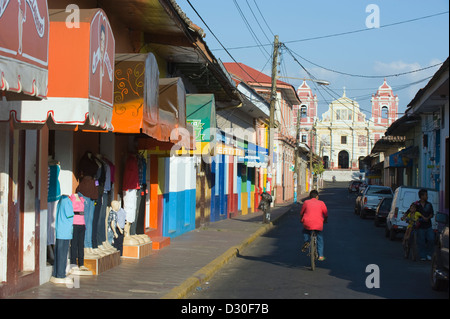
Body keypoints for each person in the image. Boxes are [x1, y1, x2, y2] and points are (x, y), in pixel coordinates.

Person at [300, 190, 328, 261]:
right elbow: (325, 213)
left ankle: (306, 241)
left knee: (305, 231)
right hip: (318, 224)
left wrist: (301, 219)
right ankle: (321, 256)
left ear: (309, 197)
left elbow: (302, 212)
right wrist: (325, 220)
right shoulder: (321, 203)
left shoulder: (306, 202)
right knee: (320, 238)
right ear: (317, 197)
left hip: (307, 223)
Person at [415, 189, 435, 261]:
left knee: (431, 239)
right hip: (420, 226)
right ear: (421, 196)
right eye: (425, 195)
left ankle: (429, 254)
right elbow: (411, 211)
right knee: (421, 241)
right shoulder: (416, 205)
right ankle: (422, 255)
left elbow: (432, 214)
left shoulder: (429, 204)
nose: (427, 196)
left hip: (428, 225)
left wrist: (428, 217)